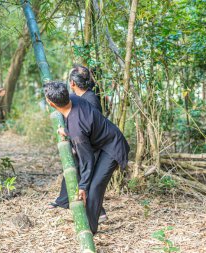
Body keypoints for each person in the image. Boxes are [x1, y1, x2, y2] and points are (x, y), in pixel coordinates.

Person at [44, 81, 130, 234]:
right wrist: (67, 131)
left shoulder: (77, 130)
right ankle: (91, 219)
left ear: (51, 104)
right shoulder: (73, 99)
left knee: (94, 186)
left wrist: (82, 186)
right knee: (90, 184)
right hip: (102, 142)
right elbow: (80, 127)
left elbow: (87, 159)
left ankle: (89, 229)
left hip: (112, 147)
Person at [49, 65, 107, 223]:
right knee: (74, 170)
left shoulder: (90, 99)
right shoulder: (77, 96)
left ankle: (99, 212)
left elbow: (89, 128)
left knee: (84, 174)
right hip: (83, 143)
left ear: (73, 83)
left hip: (91, 146)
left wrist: (76, 146)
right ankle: (63, 199)